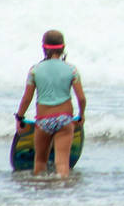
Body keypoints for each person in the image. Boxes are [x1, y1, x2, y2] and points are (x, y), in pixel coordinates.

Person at [14, 30, 87, 177]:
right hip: (65, 120)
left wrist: (20, 118)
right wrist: (81, 115)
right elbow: (81, 98)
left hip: (43, 121)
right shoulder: (72, 70)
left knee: (40, 161)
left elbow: (27, 98)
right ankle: (62, 191)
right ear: (63, 47)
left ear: (43, 47)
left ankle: (41, 193)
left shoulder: (35, 71)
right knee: (62, 163)